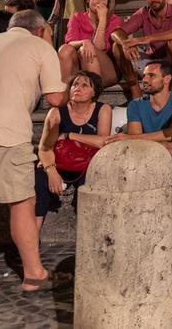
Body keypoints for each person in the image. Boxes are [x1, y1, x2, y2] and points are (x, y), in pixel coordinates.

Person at [0, 10, 66, 292]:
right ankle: (34, 275)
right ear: (41, 30)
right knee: (22, 203)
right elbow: (55, 97)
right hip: (6, 134)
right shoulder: (40, 46)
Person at [34, 71, 112, 230]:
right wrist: (51, 171)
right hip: (60, 162)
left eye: (85, 85)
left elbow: (103, 141)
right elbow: (44, 148)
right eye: (75, 84)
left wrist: (69, 135)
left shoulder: (103, 109)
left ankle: (89, 236)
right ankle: (32, 237)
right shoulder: (56, 113)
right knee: (38, 181)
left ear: (94, 92)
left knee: (92, 183)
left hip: (87, 164)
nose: (78, 88)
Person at [111, 0, 172, 98]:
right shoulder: (143, 12)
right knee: (117, 46)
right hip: (152, 63)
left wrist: (147, 38)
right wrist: (125, 44)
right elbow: (116, 32)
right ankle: (136, 94)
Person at [105, 61, 172, 156]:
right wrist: (161, 145)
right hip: (145, 152)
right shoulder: (136, 105)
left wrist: (130, 138)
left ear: (167, 79)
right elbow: (136, 140)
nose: (145, 80)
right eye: (144, 76)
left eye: (151, 76)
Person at [58, 0, 124, 89]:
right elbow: (70, 42)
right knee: (65, 49)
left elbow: (99, 47)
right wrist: (85, 42)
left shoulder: (114, 20)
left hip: (107, 70)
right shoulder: (77, 18)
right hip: (80, 68)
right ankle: (65, 93)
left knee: (86, 51)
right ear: (87, 0)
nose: (100, 2)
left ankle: (92, 93)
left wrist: (102, 20)